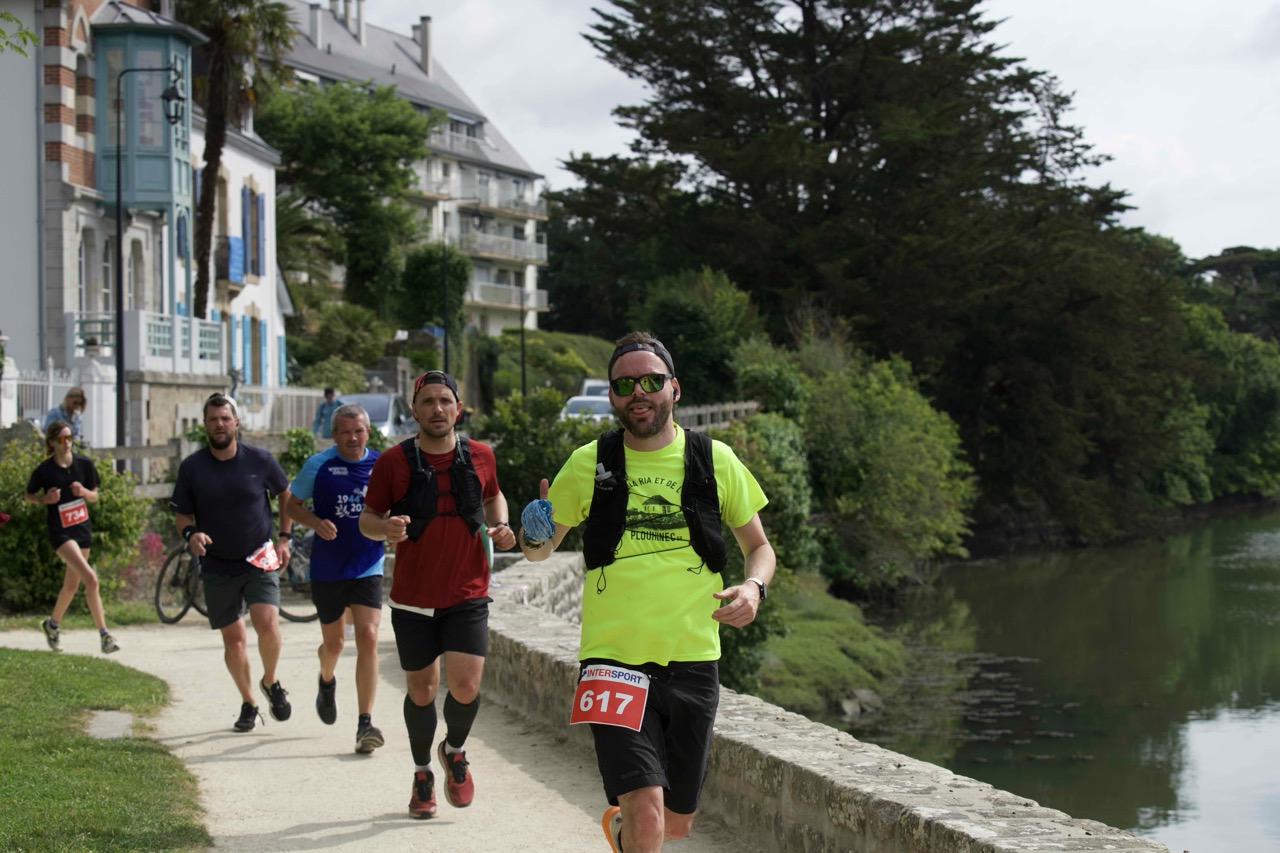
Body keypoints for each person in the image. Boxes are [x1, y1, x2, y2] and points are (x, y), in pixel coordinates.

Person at [518, 332, 775, 853]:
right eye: (624, 384)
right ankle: (634, 826)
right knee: (647, 811)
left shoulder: (715, 459)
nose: (638, 391)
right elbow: (538, 552)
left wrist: (754, 588)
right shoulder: (589, 463)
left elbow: (760, 548)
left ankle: (623, 833)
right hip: (612, 660)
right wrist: (535, 532)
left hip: (693, 659)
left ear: (674, 388)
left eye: (651, 380)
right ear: (613, 397)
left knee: (675, 824)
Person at [358, 370, 517, 820]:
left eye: (445, 400)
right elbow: (367, 518)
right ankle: (422, 773)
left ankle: (454, 750)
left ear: (458, 409)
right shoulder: (393, 462)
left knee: (466, 685)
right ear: (415, 410)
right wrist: (385, 528)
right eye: (428, 401)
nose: (437, 409)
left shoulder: (481, 455)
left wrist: (501, 525)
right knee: (422, 689)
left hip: (468, 591)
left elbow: (494, 496)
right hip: (413, 597)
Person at [170, 393, 295, 733]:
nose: (219, 425)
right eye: (213, 420)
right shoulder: (193, 467)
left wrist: (285, 538)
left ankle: (270, 681)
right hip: (217, 564)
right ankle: (249, 702)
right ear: (205, 425)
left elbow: (286, 494)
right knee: (234, 640)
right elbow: (182, 516)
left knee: (268, 624)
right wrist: (191, 534)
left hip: (258, 557)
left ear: (236, 422)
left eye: (225, 418)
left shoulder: (259, 460)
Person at [284, 403, 387, 754]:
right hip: (328, 567)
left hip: (368, 563)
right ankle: (326, 681)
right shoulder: (319, 465)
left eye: (358, 431)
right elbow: (291, 505)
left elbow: (397, 505)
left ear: (368, 432)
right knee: (334, 645)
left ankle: (365, 723)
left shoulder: (381, 465)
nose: (353, 438)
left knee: (368, 636)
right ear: (334, 435)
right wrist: (315, 522)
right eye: (345, 432)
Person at [24, 420, 119, 655]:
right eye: (62, 439)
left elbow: (95, 495)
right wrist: (45, 499)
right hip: (61, 533)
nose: (67, 443)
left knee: (71, 585)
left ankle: (51, 625)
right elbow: (28, 495)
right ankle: (105, 635)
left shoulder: (84, 464)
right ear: (52, 442)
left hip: (81, 529)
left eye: (70, 438)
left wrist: (83, 492)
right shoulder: (45, 470)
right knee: (91, 579)